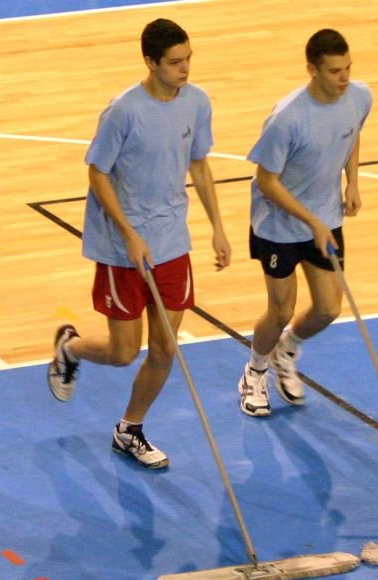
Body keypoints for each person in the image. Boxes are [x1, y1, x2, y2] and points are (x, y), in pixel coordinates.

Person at [47, 18, 230, 470]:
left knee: (166, 347)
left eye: (188, 59)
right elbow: (97, 173)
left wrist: (217, 227)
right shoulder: (124, 111)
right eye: (175, 62)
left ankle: (130, 429)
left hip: (171, 240)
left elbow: (199, 164)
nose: (185, 69)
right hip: (122, 247)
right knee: (124, 352)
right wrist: (129, 234)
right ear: (150, 62)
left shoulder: (197, 102)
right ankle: (70, 348)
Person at [237, 29, 372, 417]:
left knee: (328, 308)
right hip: (278, 225)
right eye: (334, 71)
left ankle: (287, 350)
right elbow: (267, 181)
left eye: (347, 68)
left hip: (325, 218)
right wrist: (311, 220)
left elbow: (352, 134)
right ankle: (254, 372)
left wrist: (352, 182)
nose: (344, 78)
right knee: (280, 310)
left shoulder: (360, 96)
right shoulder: (287, 118)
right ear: (312, 70)